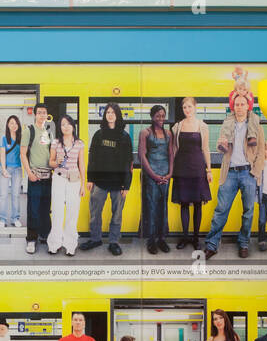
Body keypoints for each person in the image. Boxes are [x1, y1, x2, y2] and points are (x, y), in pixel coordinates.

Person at [204, 91, 267, 260]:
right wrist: (221, 145)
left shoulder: (256, 126)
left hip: (248, 173)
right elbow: (220, 148)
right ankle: (212, 245)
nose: (239, 107)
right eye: (237, 105)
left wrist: (255, 172)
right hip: (229, 174)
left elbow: (261, 152)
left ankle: (244, 243)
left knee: (248, 212)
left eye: (242, 104)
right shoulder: (227, 124)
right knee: (221, 210)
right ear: (234, 107)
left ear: (248, 107)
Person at [81, 102, 133, 256]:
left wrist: (127, 185)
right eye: (107, 112)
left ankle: (114, 242)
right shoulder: (99, 134)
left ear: (117, 115)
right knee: (95, 213)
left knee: (117, 214)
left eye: (113, 112)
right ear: (104, 115)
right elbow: (92, 158)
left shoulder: (124, 136)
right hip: (99, 182)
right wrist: (90, 179)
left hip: (119, 183)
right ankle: (95, 239)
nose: (110, 115)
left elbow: (128, 162)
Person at [168, 96, 212, 251]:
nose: (187, 110)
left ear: (195, 107)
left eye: (189, 107)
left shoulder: (203, 126)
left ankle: (196, 238)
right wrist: (171, 169)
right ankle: (185, 237)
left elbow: (205, 148)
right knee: (184, 203)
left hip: (198, 168)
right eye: (184, 107)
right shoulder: (177, 127)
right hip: (181, 168)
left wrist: (209, 170)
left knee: (198, 204)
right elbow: (174, 149)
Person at [46, 114, 85, 256]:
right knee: (57, 212)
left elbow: (81, 164)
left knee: (72, 212)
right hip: (58, 179)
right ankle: (54, 244)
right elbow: (50, 162)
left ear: (73, 126)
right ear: (60, 127)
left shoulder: (79, 143)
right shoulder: (56, 142)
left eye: (68, 124)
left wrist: (83, 184)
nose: (66, 127)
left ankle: (70, 245)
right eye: (62, 124)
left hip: (74, 181)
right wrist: (57, 162)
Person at [137, 103, 171, 254]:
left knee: (163, 208)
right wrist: (154, 175)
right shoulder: (145, 132)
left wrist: (170, 174)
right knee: (150, 208)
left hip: (165, 175)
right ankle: (151, 241)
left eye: (163, 116)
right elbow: (142, 156)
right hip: (150, 175)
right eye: (158, 116)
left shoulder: (169, 133)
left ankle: (161, 239)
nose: (161, 118)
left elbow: (171, 154)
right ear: (152, 117)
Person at [21, 103, 55, 253]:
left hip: (48, 176)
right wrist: (29, 173)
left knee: (45, 209)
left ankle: (45, 236)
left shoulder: (49, 132)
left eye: (44, 113)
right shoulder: (29, 131)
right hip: (34, 175)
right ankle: (31, 239)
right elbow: (23, 154)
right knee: (33, 209)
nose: (42, 115)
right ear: (35, 114)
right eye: (39, 112)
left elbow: (51, 153)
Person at [0, 114, 23, 228]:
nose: (14, 125)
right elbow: (2, 155)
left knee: (16, 195)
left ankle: (15, 218)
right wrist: (3, 169)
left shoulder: (21, 137)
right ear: (8, 125)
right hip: (6, 169)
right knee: (3, 194)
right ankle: (2, 218)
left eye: (16, 123)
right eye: (11, 123)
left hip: (18, 169)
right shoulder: (4, 138)